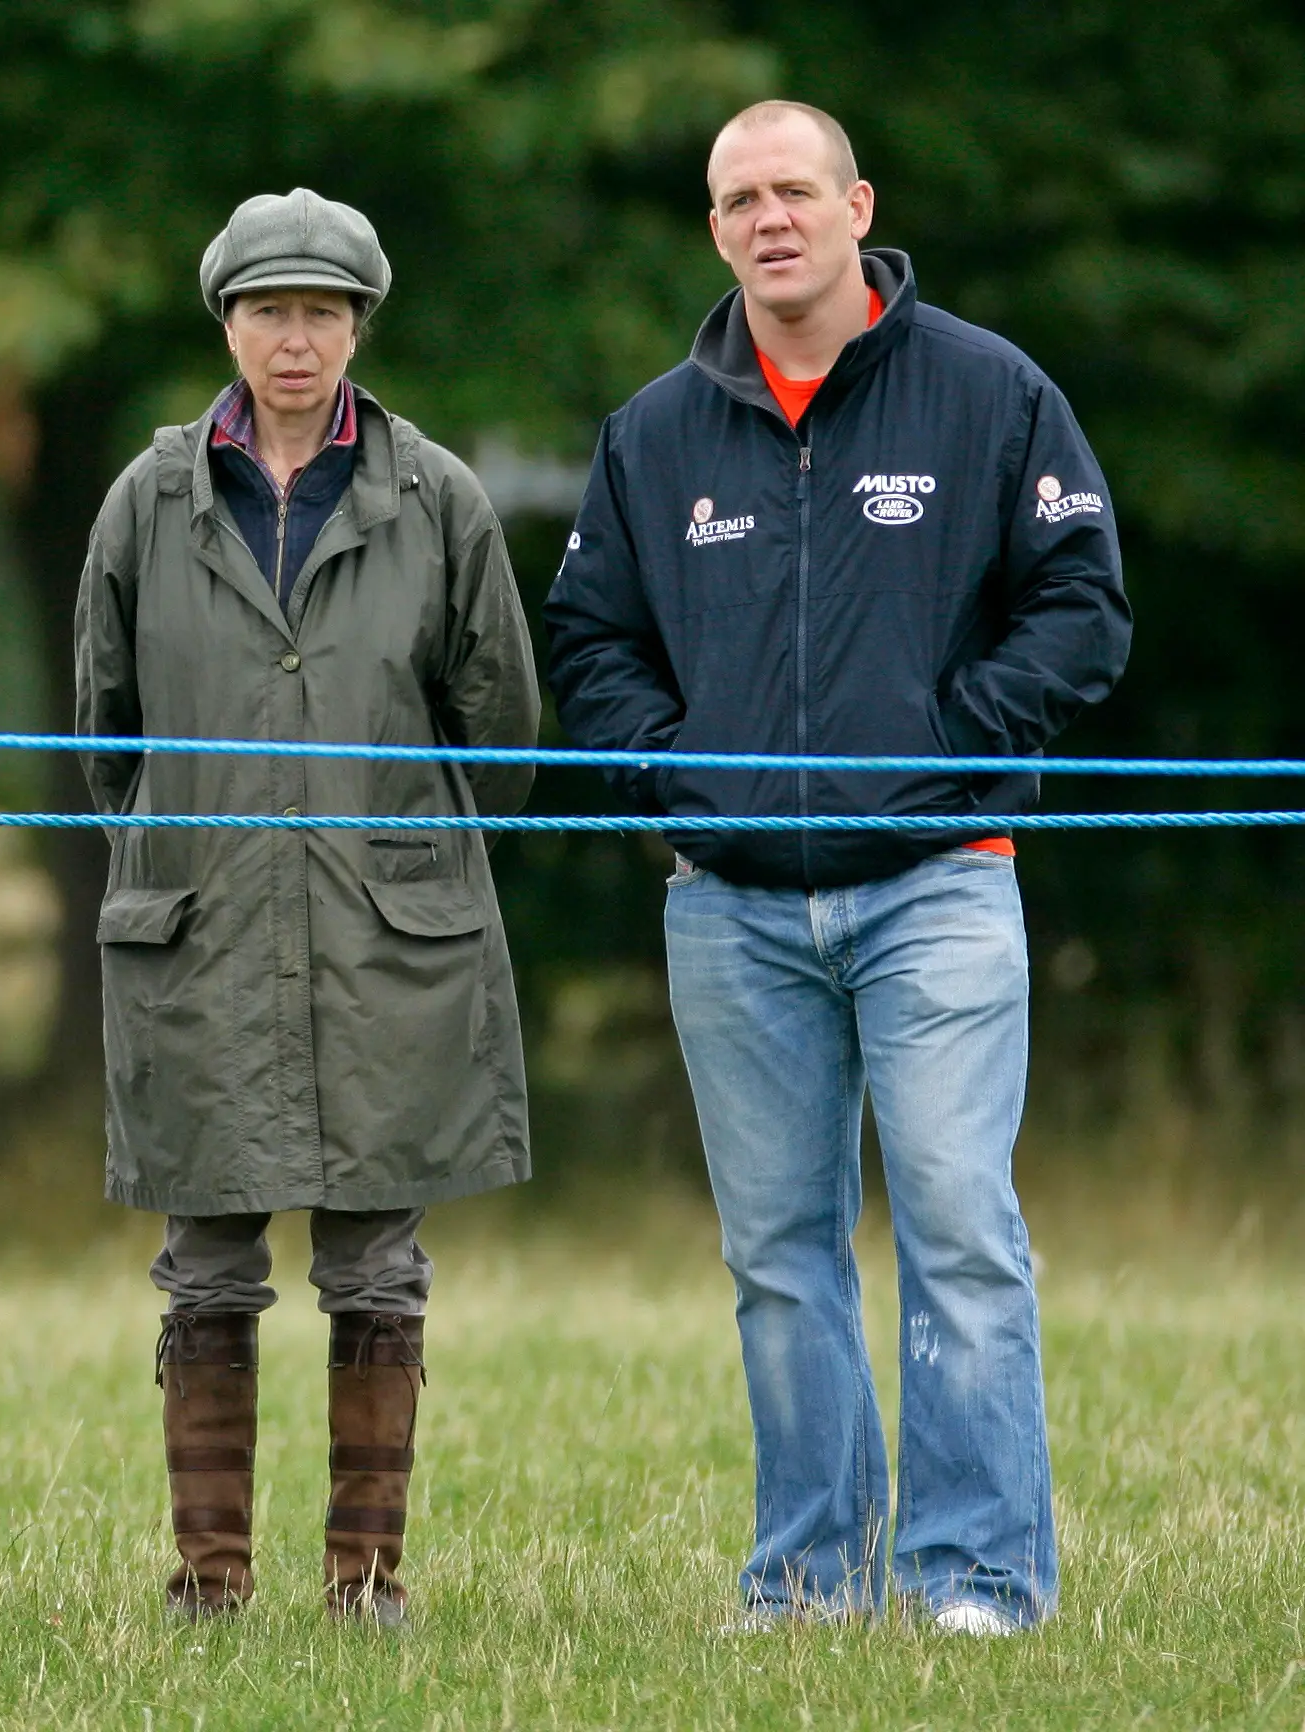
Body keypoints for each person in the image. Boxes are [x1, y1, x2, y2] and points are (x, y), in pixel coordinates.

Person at [545, 101, 1132, 1634]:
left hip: (938, 878)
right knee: (778, 1258)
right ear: (716, 229)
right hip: (726, 905)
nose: (768, 219)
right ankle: (805, 1584)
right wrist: (671, 783)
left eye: (793, 189)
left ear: (857, 204)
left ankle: (977, 1579)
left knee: (954, 1223)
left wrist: (954, 735)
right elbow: (590, 645)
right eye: (737, 198)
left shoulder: (989, 394)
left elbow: (1079, 607)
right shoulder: (652, 433)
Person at [76, 188, 540, 1626]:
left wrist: (392, 856)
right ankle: (208, 1582)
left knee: (375, 1261)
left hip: (383, 939)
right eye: (268, 309)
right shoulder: (146, 501)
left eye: (321, 312)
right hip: (201, 932)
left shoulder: (439, 498)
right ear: (226, 321)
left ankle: (365, 1582)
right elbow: (106, 734)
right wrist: (196, 856)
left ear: (358, 327)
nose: (295, 338)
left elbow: (504, 735)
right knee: (202, 1257)